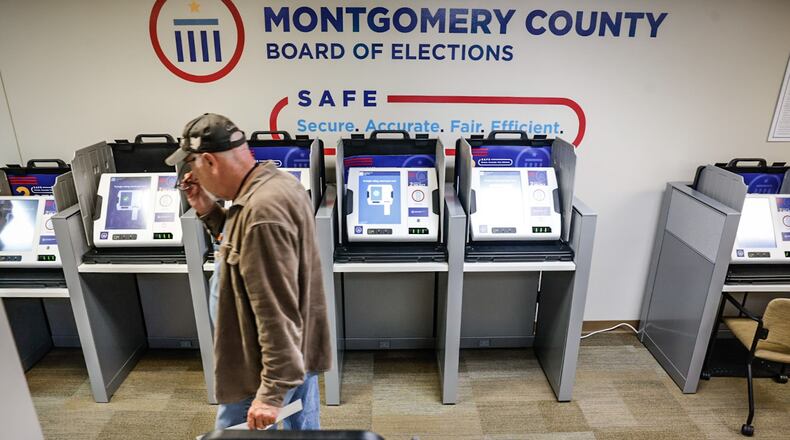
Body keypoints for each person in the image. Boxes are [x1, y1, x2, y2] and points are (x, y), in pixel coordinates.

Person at [166, 113, 332, 430]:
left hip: (260, 359)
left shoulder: (262, 212)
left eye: (192, 163)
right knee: (302, 422)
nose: (190, 172)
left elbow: (276, 310)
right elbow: (241, 245)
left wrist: (270, 393)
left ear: (210, 161)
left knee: (233, 431)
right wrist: (206, 208)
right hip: (293, 348)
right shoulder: (273, 185)